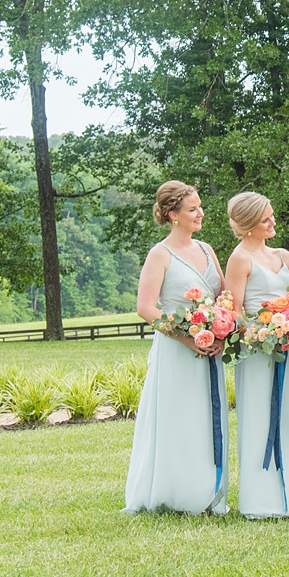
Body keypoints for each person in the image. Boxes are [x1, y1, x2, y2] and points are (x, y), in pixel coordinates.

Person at [124, 181, 229, 515]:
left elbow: (224, 297)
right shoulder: (160, 254)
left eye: (199, 206)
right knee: (180, 417)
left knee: (205, 416)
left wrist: (222, 330)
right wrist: (186, 336)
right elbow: (146, 308)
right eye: (192, 209)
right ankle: (175, 492)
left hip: (210, 350)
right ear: (173, 215)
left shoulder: (207, 249)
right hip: (176, 350)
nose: (200, 213)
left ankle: (207, 492)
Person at [223, 191, 289, 518]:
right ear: (247, 225)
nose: (273, 221)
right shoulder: (240, 258)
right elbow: (234, 311)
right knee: (259, 416)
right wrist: (264, 332)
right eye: (265, 218)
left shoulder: (284, 255)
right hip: (257, 351)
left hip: (288, 347)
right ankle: (261, 500)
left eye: (272, 215)